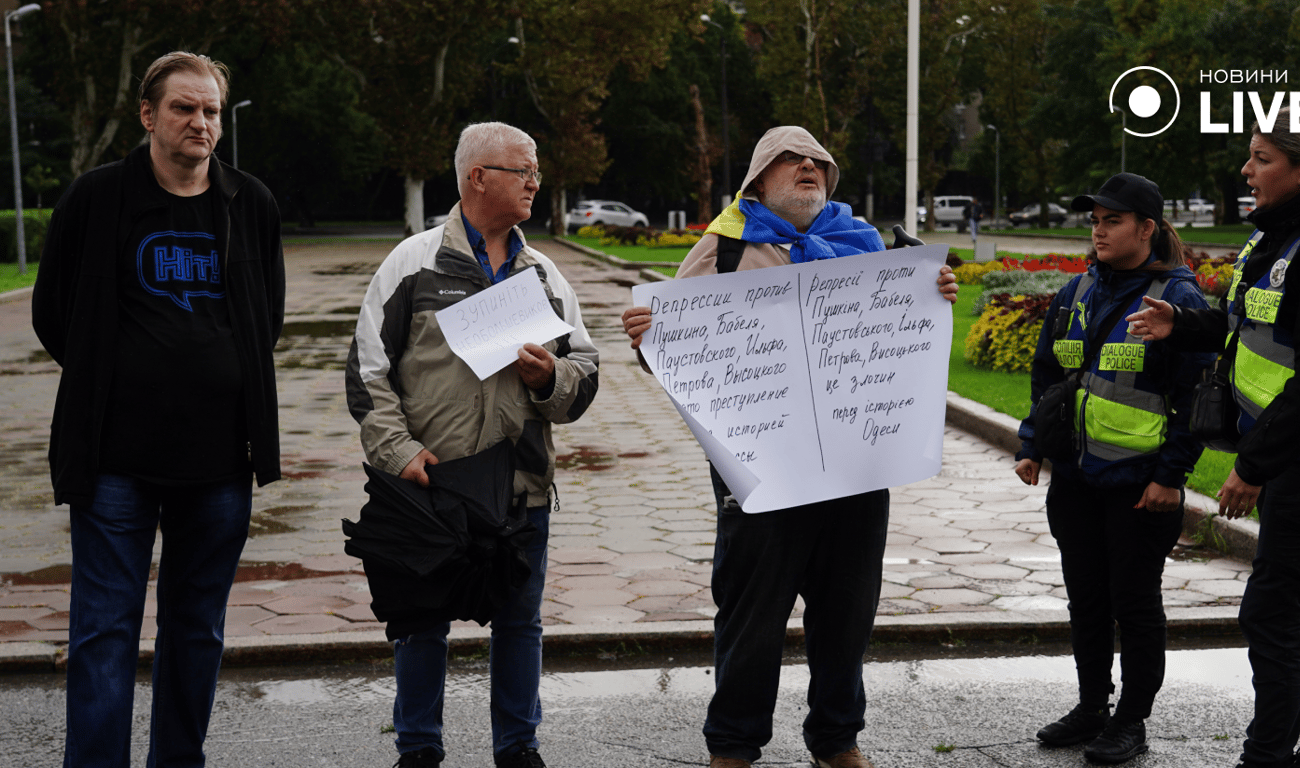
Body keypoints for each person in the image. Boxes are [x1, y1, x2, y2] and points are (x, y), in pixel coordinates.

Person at [620, 125, 959, 768]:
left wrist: (934, 295)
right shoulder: (723, 250)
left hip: (857, 471)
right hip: (763, 473)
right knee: (752, 615)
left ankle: (837, 739)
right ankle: (734, 745)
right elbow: (673, 355)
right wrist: (649, 338)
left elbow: (906, 336)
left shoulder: (863, 246)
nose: (806, 166)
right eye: (789, 159)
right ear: (758, 180)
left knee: (847, 614)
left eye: (817, 161)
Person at [30, 52, 285, 767]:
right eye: (184, 108)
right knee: (103, 632)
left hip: (220, 466)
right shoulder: (96, 198)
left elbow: (267, 319)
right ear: (148, 115)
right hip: (115, 461)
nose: (200, 122)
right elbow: (55, 314)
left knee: (196, 630)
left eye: (209, 111)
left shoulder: (250, 203)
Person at [345, 121, 599, 768]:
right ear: (477, 178)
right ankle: (419, 749)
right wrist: (397, 451)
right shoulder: (412, 263)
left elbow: (587, 373)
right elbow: (366, 370)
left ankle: (518, 747)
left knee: (520, 624)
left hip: (519, 488)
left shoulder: (543, 275)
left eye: (536, 171)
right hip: (431, 484)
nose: (536, 183)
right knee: (419, 624)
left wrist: (551, 378)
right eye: (525, 171)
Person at [1127, 108, 1300, 768]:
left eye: (1261, 158)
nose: (1246, 170)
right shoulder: (1284, 236)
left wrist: (1253, 467)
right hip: (1299, 456)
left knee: (1271, 613)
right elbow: (1251, 330)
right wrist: (1184, 321)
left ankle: (1268, 757)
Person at [1013, 171, 1213, 764]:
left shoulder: (1178, 300)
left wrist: (1170, 476)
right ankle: (1091, 707)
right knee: (1087, 600)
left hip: (1139, 486)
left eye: (1113, 220)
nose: (1099, 231)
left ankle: (1132, 720)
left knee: (1135, 602)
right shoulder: (1076, 293)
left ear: (1147, 229)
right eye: (1095, 221)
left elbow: (1196, 398)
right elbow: (1048, 376)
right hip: (1075, 480)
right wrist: (1032, 445)